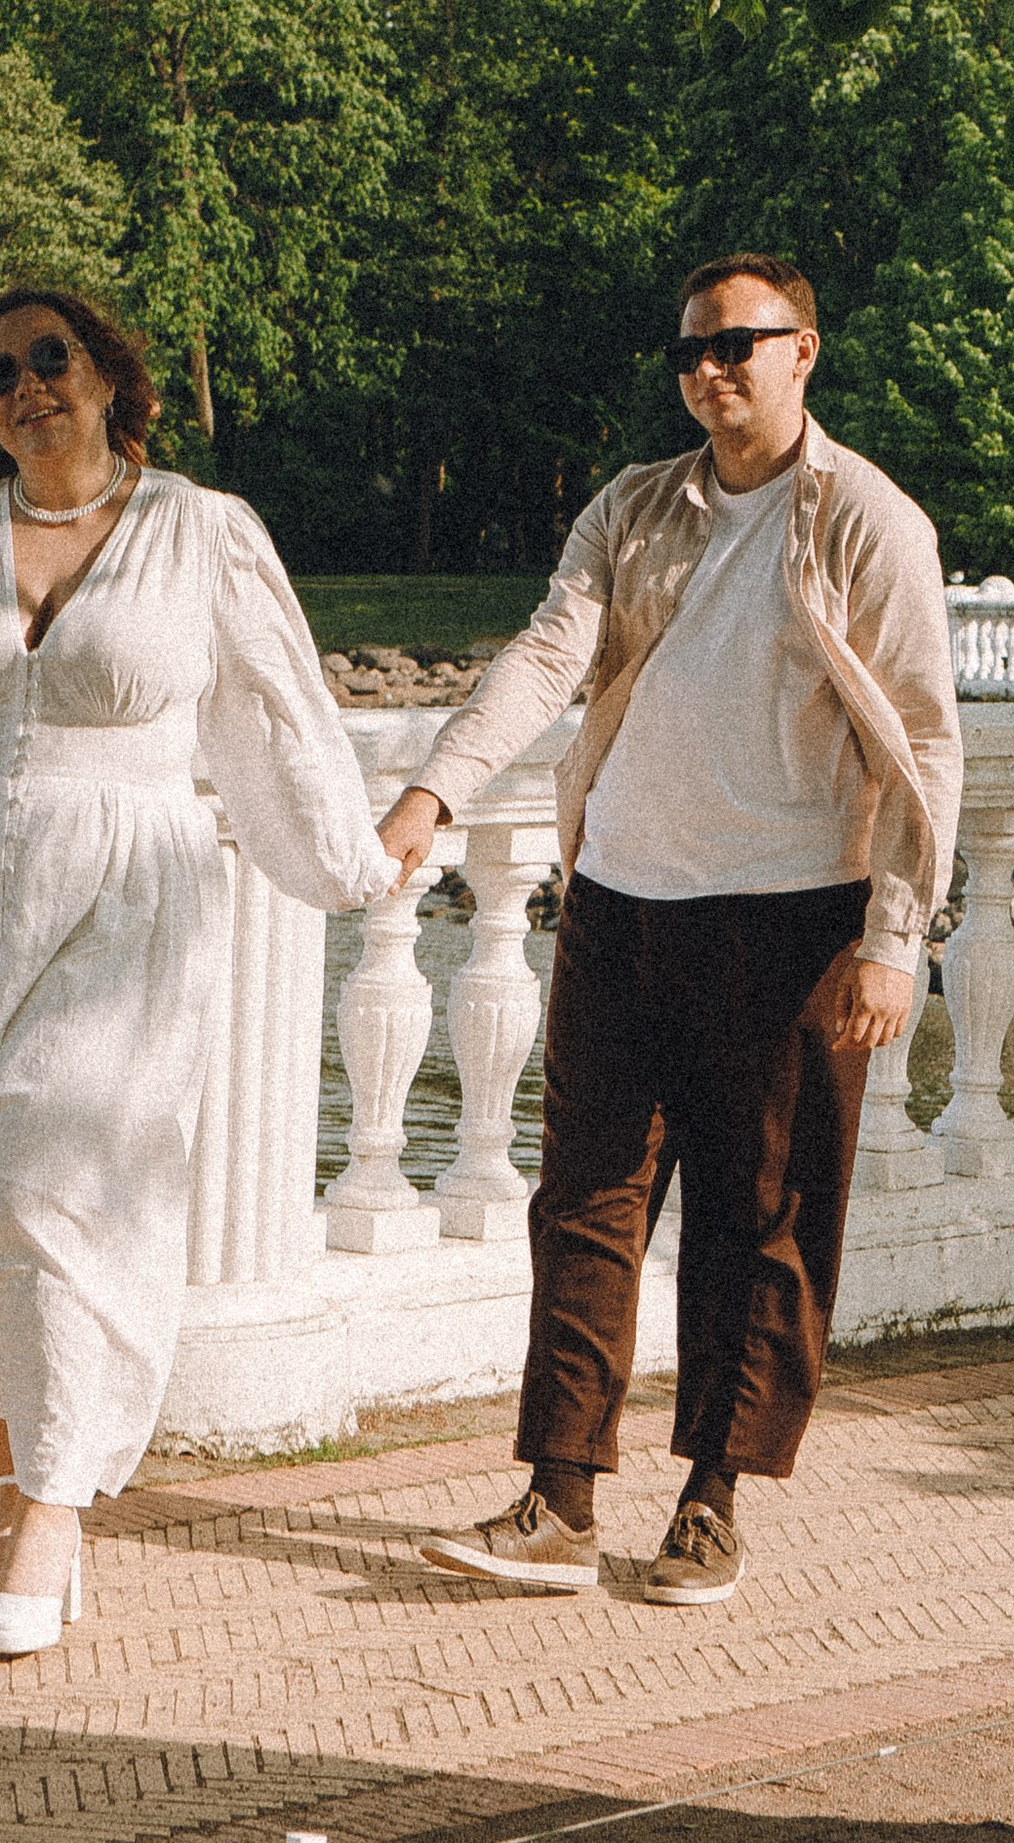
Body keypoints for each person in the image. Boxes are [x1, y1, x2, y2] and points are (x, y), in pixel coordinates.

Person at [0, 285, 400, 1660]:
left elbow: (285, 716)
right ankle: (19, 1510)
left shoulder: (203, 531)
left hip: (129, 912)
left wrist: (357, 858)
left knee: (44, 1189)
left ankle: (56, 1516)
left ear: (112, 376)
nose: (25, 389)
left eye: (50, 359)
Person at [375, 254, 962, 1606]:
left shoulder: (869, 521)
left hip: (793, 923)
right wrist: (434, 790)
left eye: (737, 346)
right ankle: (561, 1497)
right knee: (583, 1200)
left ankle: (712, 1500)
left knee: (763, 1220)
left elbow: (927, 743)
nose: (710, 372)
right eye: (691, 351)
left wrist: (895, 935)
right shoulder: (639, 506)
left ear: (802, 349)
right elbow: (547, 652)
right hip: (622, 905)